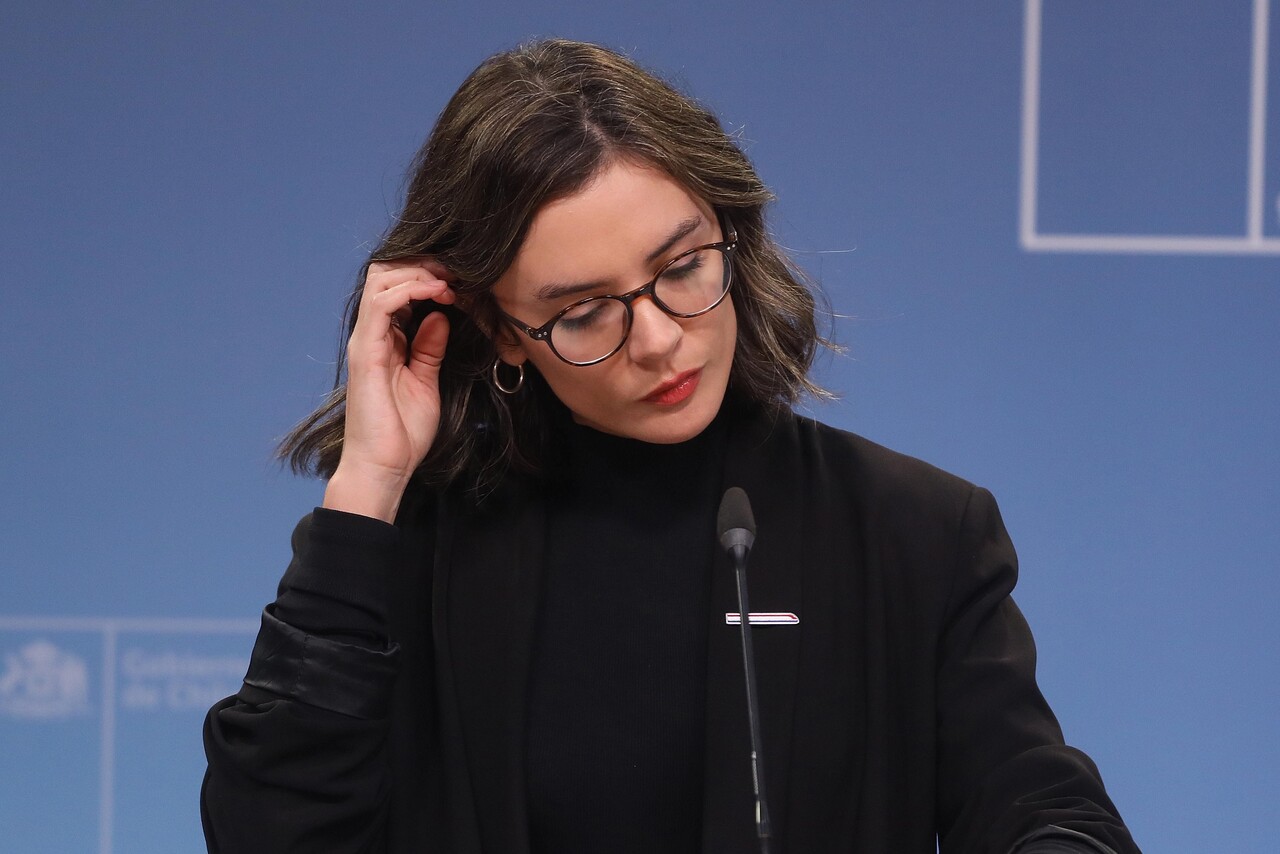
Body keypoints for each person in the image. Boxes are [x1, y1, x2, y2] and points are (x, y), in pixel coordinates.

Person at [200, 38, 1140, 854]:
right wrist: (368, 483)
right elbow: (271, 834)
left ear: (733, 229)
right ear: (499, 330)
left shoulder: (915, 533)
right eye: (583, 312)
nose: (656, 339)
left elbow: (1044, 809)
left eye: (682, 267)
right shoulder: (409, 549)